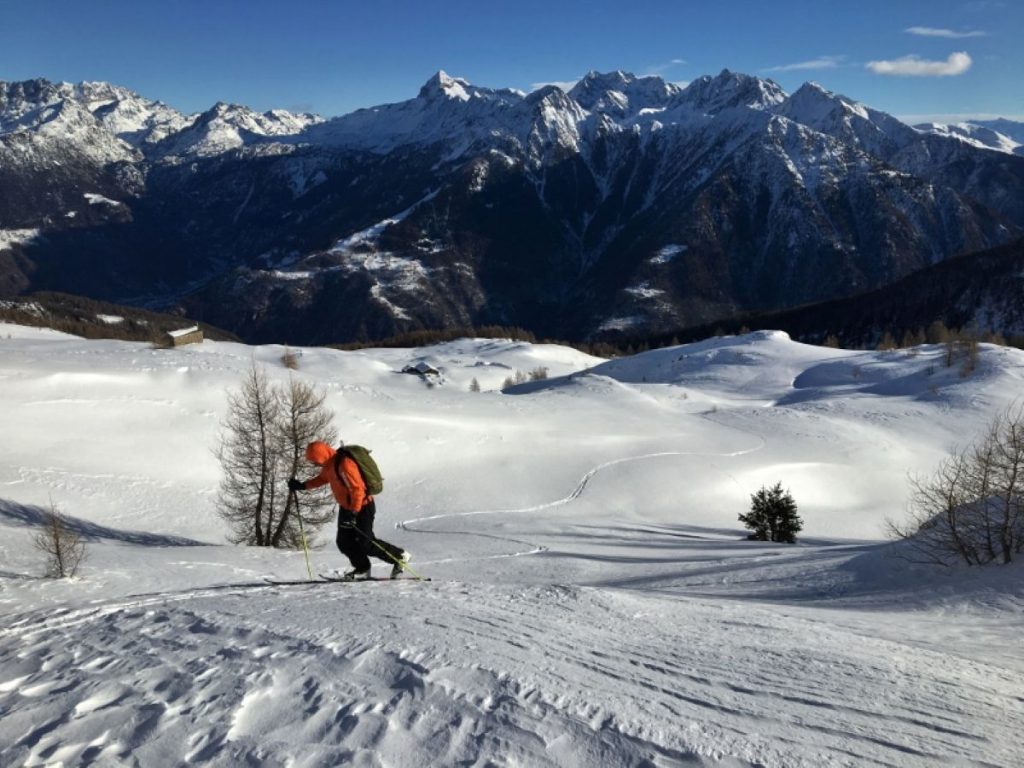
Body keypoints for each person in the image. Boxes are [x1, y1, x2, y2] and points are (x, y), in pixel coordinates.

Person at [288, 441, 410, 580]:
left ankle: (400, 556)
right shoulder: (330, 465)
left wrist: (354, 512)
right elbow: (322, 478)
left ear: (322, 455)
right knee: (344, 542)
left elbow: (358, 490)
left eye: (315, 461)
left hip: (362, 507)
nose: (315, 464)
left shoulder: (344, 464)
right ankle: (362, 568)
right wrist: (303, 486)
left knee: (366, 543)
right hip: (347, 508)